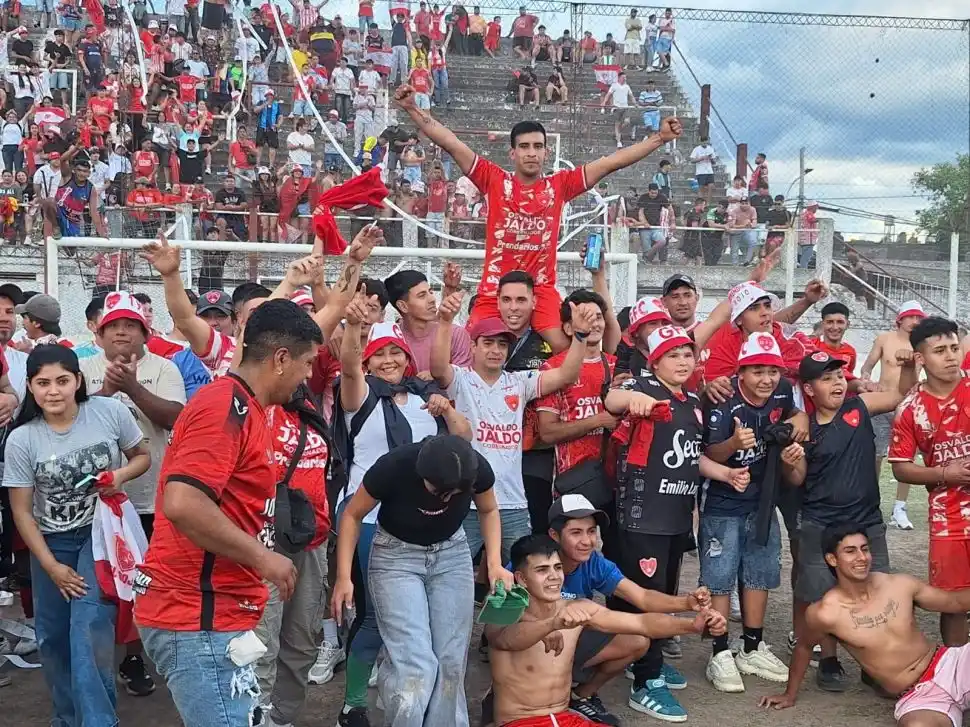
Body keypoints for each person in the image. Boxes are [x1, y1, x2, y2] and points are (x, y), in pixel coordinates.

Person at [133, 300, 323, 727]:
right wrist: (262, 557)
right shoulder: (225, 406)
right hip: (195, 616)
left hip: (214, 615)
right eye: (307, 363)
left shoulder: (248, 407)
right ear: (280, 359)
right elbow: (183, 502)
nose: (308, 375)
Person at [394, 82, 682, 353]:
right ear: (513, 152)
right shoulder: (493, 179)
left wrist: (659, 138)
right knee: (470, 351)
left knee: (567, 350)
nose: (531, 153)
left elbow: (611, 163)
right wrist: (411, 108)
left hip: (541, 290)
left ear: (546, 151)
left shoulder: (560, 185)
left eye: (538, 147)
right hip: (496, 289)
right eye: (524, 147)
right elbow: (451, 143)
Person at [331, 290, 472, 727]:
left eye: (396, 352)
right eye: (380, 354)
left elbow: (464, 440)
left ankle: (418, 706)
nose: (389, 360)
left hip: (422, 516)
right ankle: (353, 705)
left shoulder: (424, 396)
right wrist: (354, 327)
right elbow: (349, 366)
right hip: (368, 516)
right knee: (376, 619)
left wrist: (446, 408)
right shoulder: (358, 396)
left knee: (425, 631)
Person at [603, 325, 751, 720]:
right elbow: (612, 397)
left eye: (688, 354)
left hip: (675, 517)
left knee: (664, 594)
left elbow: (691, 458)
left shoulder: (690, 402)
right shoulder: (645, 387)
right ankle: (646, 681)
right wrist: (633, 396)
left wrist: (724, 474)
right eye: (674, 355)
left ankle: (643, 658)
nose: (684, 361)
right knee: (645, 597)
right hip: (642, 516)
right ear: (655, 361)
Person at [4, 344, 150, 727]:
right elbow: (22, 511)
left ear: (78, 381)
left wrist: (119, 476)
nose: (54, 391)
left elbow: (141, 455)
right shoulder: (22, 439)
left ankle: (99, 721)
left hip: (100, 535)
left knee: (87, 632)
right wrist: (51, 566)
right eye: (43, 383)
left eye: (62, 381)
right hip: (49, 543)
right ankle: (67, 717)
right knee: (52, 639)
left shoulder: (108, 413)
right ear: (31, 388)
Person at [332, 435, 509, 727]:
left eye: (454, 494)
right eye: (439, 491)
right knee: (416, 667)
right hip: (395, 557)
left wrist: (494, 564)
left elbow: (489, 510)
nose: (446, 499)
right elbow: (352, 514)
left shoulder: (476, 468)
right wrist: (343, 577)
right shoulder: (395, 465)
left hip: (451, 553)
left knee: (450, 664)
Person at [488, 533, 726, 727]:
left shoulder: (575, 607)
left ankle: (582, 697)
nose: (553, 577)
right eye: (541, 570)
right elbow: (503, 640)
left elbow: (641, 624)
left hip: (564, 718)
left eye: (557, 567)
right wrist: (551, 625)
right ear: (521, 578)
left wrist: (691, 625)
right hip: (519, 721)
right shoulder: (503, 604)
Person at [430, 294, 595, 568]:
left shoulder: (519, 382)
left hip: (513, 503)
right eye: (488, 343)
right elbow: (438, 368)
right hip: (466, 501)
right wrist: (445, 321)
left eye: (502, 344)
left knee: (522, 576)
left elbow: (566, 375)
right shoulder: (460, 379)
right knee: (451, 571)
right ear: (472, 347)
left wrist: (580, 336)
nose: (496, 350)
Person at [784, 349, 916, 691]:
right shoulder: (805, 428)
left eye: (839, 376)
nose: (837, 383)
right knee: (820, 595)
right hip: (820, 523)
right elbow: (798, 479)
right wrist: (790, 460)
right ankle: (828, 659)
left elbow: (901, 396)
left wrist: (909, 366)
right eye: (826, 378)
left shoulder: (860, 406)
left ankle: (873, 662)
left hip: (866, 521)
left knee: (878, 589)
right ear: (809, 389)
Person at [79, 291, 186, 697]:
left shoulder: (164, 368)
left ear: (145, 332)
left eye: (130, 325)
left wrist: (132, 389)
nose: (121, 332)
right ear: (99, 332)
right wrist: (106, 393)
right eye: (113, 326)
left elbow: (177, 417)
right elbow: (73, 420)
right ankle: (102, 663)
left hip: (152, 495)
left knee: (146, 581)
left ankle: (136, 656)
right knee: (105, 582)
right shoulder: (81, 367)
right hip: (97, 499)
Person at [759, 523, 970, 725]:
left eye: (865, 549)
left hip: (953, 665)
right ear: (832, 559)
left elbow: (956, 603)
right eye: (850, 551)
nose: (861, 558)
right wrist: (789, 694)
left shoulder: (899, 585)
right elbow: (803, 648)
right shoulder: (825, 613)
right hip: (917, 693)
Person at [700, 332, 807, 693]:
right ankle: (719, 651)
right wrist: (733, 444)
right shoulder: (724, 396)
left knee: (759, 571)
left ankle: (750, 646)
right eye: (757, 371)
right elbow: (708, 454)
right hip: (723, 502)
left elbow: (796, 413)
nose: (766, 379)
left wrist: (798, 424)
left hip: (763, 500)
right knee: (719, 576)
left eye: (772, 370)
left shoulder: (782, 390)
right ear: (741, 371)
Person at [887, 316, 970, 646]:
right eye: (940, 350)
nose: (951, 356)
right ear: (920, 358)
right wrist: (943, 474)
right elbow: (901, 468)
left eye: (954, 347)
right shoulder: (910, 408)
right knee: (952, 603)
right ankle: (956, 679)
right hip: (947, 518)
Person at [860, 300, 926, 531]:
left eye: (919, 318)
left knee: (904, 457)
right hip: (882, 403)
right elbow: (867, 366)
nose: (915, 322)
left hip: (907, 405)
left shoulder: (921, 345)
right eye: (911, 317)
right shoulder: (884, 339)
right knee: (875, 455)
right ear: (900, 318)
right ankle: (872, 501)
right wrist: (868, 381)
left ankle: (900, 507)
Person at [384, 269, 472, 374]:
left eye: (430, 292)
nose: (432, 299)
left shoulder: (456, 335)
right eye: (422, 296)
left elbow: (464, 381)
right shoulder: (390, 338)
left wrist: (439, 377)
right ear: (403, 306)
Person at [689, 136, 716, 202]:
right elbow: (692, 160)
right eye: (703, 142)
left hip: (709, 171)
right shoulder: (696, 149)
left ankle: (708, 203)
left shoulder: (710, 149)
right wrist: (702, 158)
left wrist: (711, 159)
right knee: (701, 188)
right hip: (700, 172)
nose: (705, 143)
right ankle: (701, 203)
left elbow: (714, 162)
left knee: (711, 186)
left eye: (706, 141)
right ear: (700, 142)